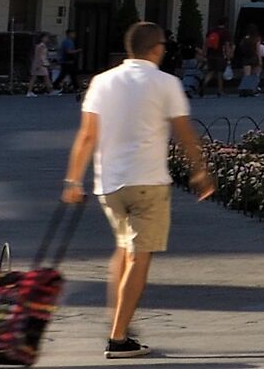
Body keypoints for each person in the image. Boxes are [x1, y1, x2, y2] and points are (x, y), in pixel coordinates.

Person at [62, 21, 217, 361]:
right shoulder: (166, 83)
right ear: (156, 48)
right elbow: (184, 132)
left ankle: (118, 319)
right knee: (139, 257)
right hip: (147, 182)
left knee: (123, 250)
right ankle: (119, 338)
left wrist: (73, 181)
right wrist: (200, 170)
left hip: (109, 185)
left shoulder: (101, 82)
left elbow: (87, 134)